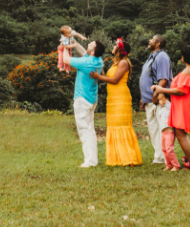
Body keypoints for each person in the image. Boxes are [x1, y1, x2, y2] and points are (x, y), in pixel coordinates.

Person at [90, 38, 143, 166]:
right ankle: (117, 158)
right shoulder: (115, 63)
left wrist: (98, 76)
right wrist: (100, 67)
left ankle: (128, 157)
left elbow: (114, 80)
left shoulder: (124, 63)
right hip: (112, 98)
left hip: (121, 97)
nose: (113, 47)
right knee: (113, 124)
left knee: (121, 124)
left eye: (115, 45)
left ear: (119, 49)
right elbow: (107, 77)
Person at [151, 44, 190, 171]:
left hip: (184, 105)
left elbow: (181, 91)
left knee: (181, 134)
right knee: (181, 133)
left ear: (185, 57)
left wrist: (161, 89)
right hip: (184, 104)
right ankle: (189, 157)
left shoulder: (189, 71)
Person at [66, 38, 105, 167]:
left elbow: (66, 60)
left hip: (82, 99)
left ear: (93, 51)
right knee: (90, 129)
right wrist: (76, 44)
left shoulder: (86, 63)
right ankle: (92, 159)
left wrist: (65, 46)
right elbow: (84, 53)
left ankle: (90, 161)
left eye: (91, 45)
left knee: (84, 130)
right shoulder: (98, 61)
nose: (88, 45)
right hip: (91, 99)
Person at [138, 34, 172, 164]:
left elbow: (163, 78)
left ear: (158, 44)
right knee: (153, 129)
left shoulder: (162, 57)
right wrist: (143, 98)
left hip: (157, 99)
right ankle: (159, 156)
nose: (149, 41)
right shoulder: (152, 57)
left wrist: (154, 95)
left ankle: (163, 156)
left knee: (161, 127)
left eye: (152, 39)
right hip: (149, 100)